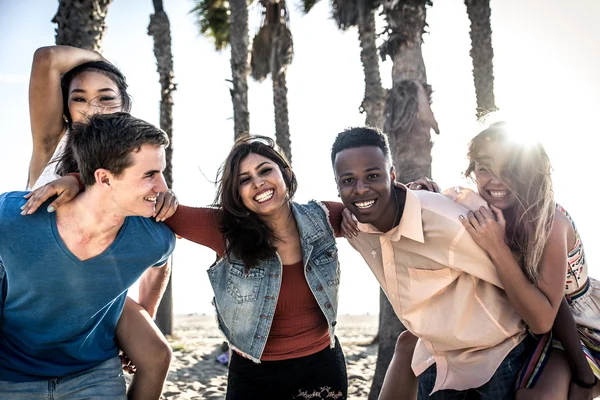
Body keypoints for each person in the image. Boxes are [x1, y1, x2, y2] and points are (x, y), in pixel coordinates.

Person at [24, 135, 353, 400]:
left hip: (321, 366)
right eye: (245, 179)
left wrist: (393, 195)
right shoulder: (223, 229)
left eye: (266, 171)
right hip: (255, 374)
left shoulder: (322, 217)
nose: (258, 183)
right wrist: (75, 179)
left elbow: (378, 205)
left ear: (286, 175)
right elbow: (127, 188)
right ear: (237, 193)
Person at [23, 45, 176, 400]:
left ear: (125, 104)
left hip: (98, 288)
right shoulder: (53, 144)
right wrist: (105, 64)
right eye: (80, 99)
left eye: (106, 97)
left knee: (155, 354)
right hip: (35, 284)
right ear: (66, 108)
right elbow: (45, 59)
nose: (93, 107)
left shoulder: (137, 166)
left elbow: (159, 258)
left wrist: (144, 315)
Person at [331, 127, 529, 399]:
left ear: (392, 175)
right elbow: (296, 216)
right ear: (337, 185)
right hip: (438, 364)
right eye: (348, 180)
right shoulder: (357, 230)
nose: (361, 188)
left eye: (373, 176)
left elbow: (520, 278)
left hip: (498, 360)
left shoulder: (448, 223)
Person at [454, 122, 600, 399]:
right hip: (530, 316)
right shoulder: (488, 211)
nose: (496, 180)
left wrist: (583, 375)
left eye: (510, 169)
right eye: (484, 168)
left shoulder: (550, 222)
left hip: (580, 326)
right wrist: (420, 191)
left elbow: (553, 314)